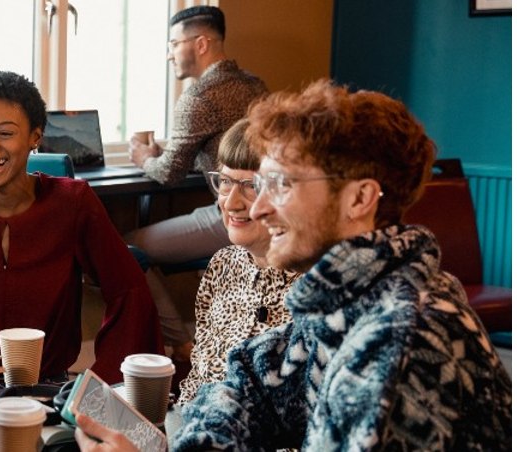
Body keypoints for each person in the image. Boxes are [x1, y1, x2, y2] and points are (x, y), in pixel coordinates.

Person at [169, 79, 512, 450]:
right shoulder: (342, 303)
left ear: (359, 198)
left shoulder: (404, 340)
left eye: (281, 184)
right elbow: (248, 390)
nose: (257, 207)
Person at [0, 71, 162, 383]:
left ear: (35, 136)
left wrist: (100, 384)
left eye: (5, 133)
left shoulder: (73, 202)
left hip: (48, 385)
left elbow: (130, 293)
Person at [124, 6, 269, 357]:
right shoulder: (254, 85)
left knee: (125, 250)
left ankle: (182, 343)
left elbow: (169, 173)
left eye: (174, 43)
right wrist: (169, 153)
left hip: (233, 213)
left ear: (201, 43)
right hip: (266, 207)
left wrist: (143, 156)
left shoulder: (199, 96)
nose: (169, 53)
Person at [176, 118, 300, 406]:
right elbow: (198, 377)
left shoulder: (314, 291)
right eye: (225, 182)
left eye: (251, 186)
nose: (231, 202)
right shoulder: (223, 265)